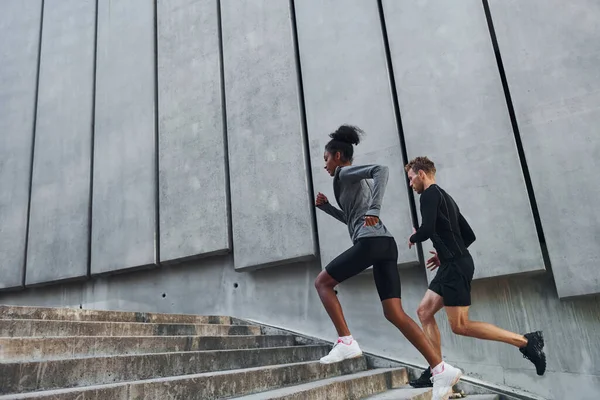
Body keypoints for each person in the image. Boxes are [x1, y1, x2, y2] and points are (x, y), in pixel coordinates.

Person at [314, 125, 462, 400]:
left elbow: (381, 170)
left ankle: (346, 341)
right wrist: (327, 209)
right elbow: (354, 220)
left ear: (336, 155)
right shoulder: (349, 180)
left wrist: (374, 209)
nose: (324, 165)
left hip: (371, 243)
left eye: (325, 159)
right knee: (394, 312)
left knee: (322, 282)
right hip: (384, 244)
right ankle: (440, 368)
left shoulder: (345, 173)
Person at [404, 156, 546, 389]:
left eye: (411, 179)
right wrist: (443, 254)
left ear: (422, 174)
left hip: (456, 266)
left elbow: (427, 228)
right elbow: (469, 235)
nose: (411, 185)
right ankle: (435, 369)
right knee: (424, 312)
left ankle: (525, 342)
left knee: (460, 326)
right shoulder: (446, 198)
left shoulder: (429, 194)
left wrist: (413, 237)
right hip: (452, 264)